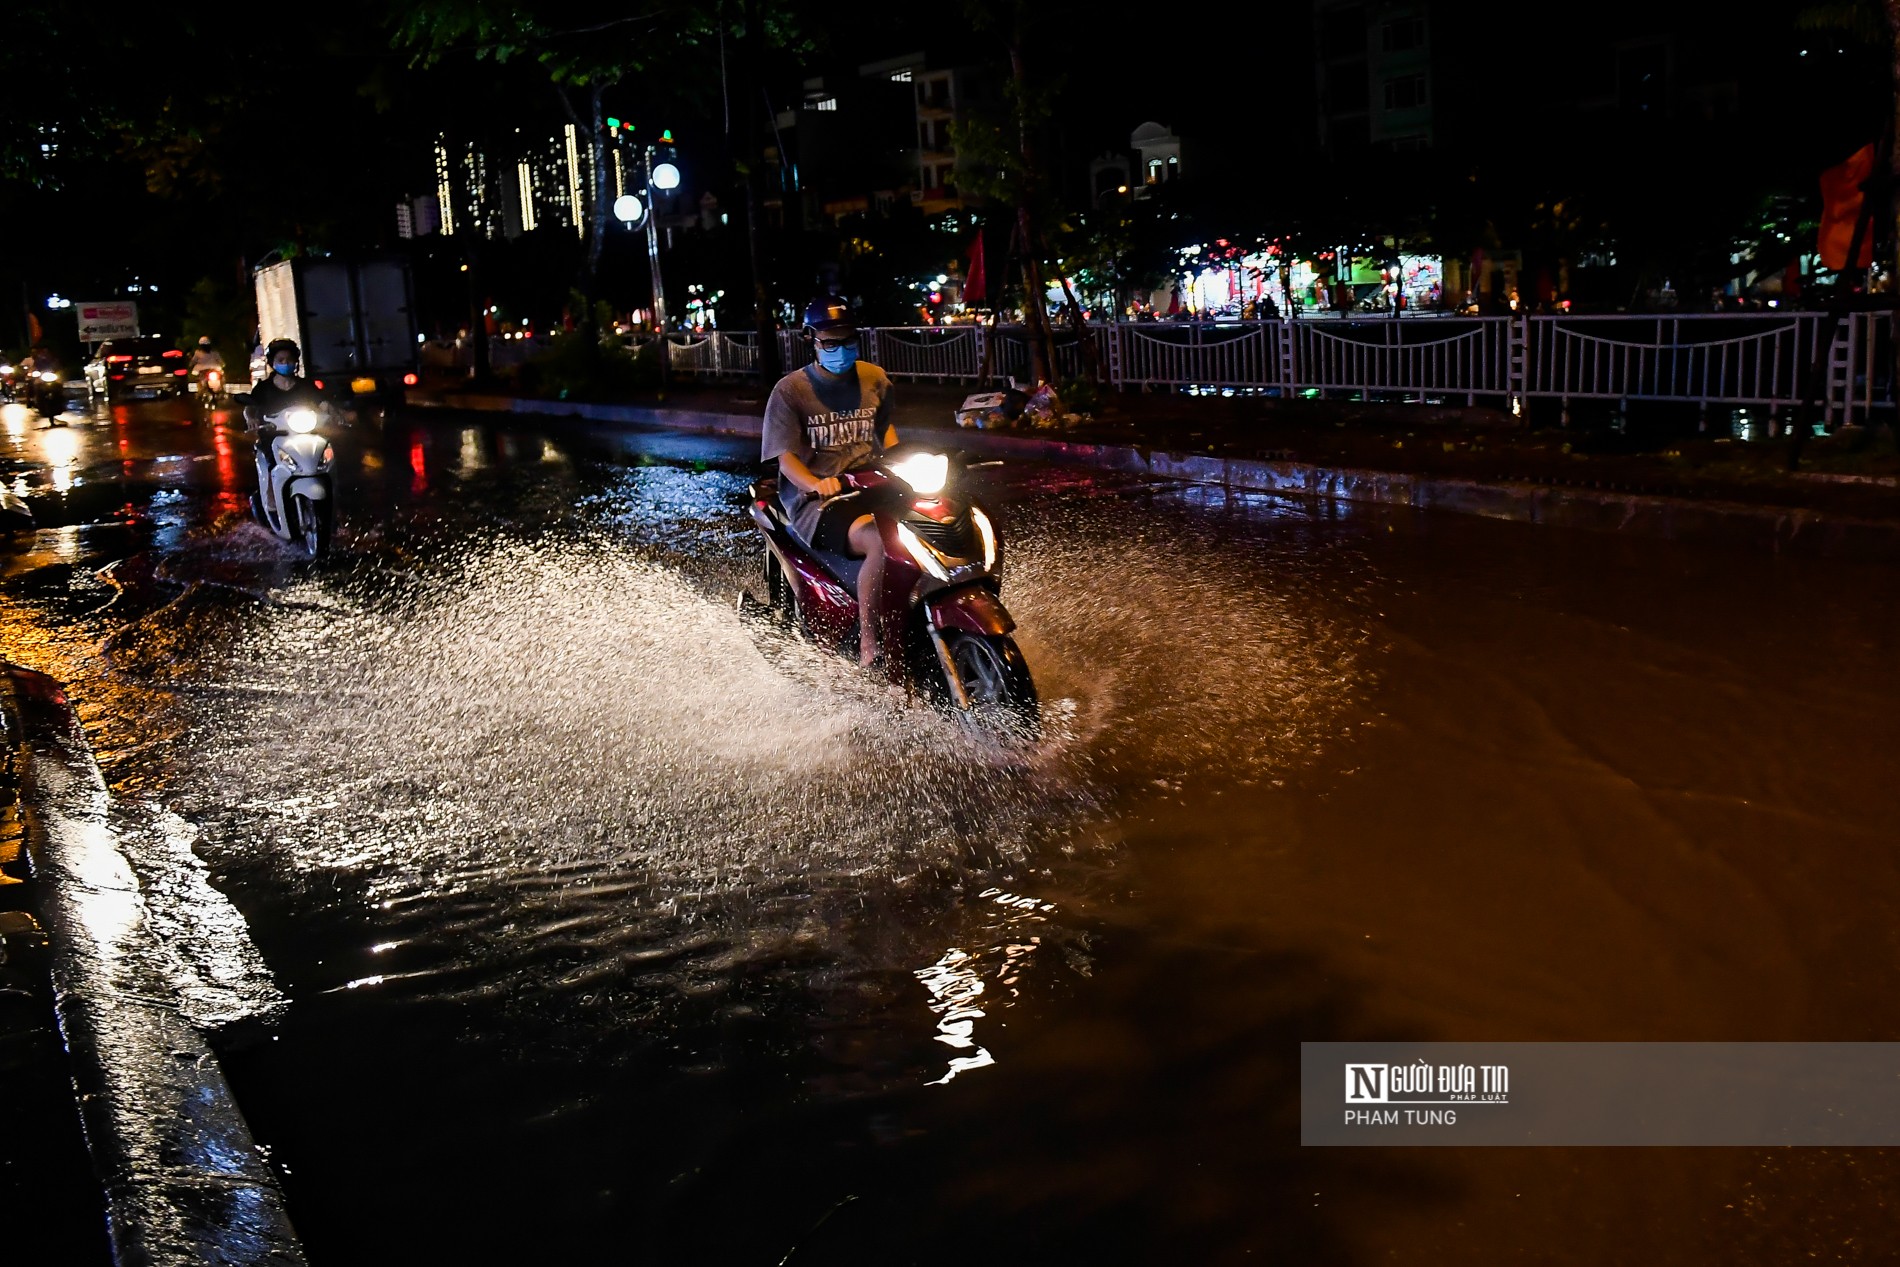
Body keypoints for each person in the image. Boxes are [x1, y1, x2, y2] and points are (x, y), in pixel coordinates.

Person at [760, 296, 897, 669]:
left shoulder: (874, 379)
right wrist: (815, 484)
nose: (841, 350)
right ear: (811, 339)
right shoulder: (790, 391)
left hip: (870, 486)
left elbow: (887, 438)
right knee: (878, 541)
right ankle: (871, 642)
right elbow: (785, 458)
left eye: (848, 341)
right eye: (830, 343)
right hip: (818, 502)